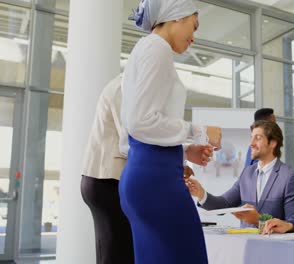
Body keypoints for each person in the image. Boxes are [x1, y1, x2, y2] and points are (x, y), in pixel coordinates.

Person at [118, 1, 222, 263]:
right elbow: (140, 122)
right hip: (157, 183)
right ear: (178, 16)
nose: (193, 38)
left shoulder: (144, 49)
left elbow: (132, 131)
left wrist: (184, 151)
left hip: (142, 176)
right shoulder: (157, 49)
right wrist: (199, 132)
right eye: (194, 26)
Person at [186, 120, 294, 227]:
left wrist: (259, 220)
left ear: (273, 143)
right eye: (251, 138)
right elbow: (224, 204)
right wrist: (201, 193)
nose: (251, 143)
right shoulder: (247, 173)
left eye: (257, 138)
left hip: (275, 249)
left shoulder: (291, 177)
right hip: (246, 248)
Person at [81, 75, 134, 264]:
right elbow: (131, 140)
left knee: (117, 252)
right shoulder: (125, 87)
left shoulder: (127, 84)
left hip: (107, 179)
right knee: (115, 254)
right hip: (107, 181)